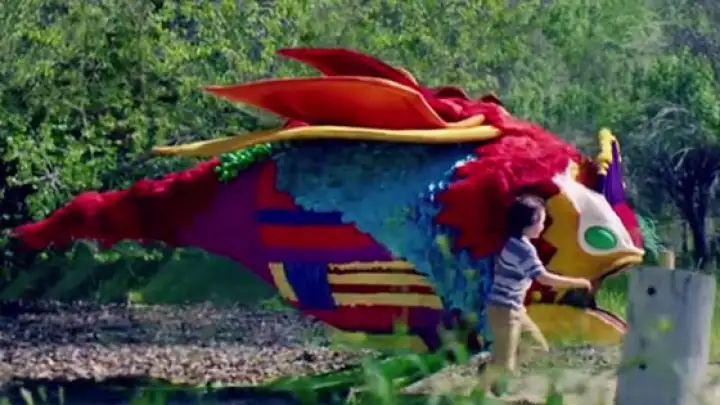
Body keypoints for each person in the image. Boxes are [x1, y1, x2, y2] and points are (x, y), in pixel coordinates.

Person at [483, 194, 592, 395]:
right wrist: (579, 282)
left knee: (537, 348)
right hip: (505, 311)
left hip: (515, 310)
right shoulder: (523, 249)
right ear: (529, 223)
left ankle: (492, 369)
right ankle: (485, 390)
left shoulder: (515, 243)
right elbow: (543, 278)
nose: (543, 226)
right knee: (506, 367)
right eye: (541, 221)